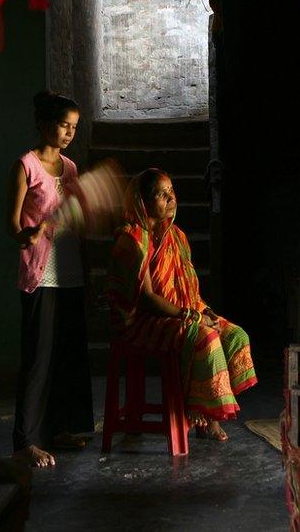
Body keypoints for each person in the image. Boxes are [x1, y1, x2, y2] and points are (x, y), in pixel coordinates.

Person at [107, 168, 257, 441]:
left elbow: (187, 288)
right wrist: (192, 316)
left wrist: (203, 310)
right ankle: (199, 415)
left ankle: (208, 412)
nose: (170, 198)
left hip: (181, 311)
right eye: (160, 194)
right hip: (143, 320)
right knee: (205, 339)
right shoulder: (131, 240)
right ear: (142, 202)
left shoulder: (177, 237)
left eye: (171, 191)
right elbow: (147, 299)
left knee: (236, 336)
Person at [6, 91, 93, 467]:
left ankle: (59, 428)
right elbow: (12, 224)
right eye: (63, 125)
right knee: (38, 360)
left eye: (74, 127)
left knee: (65, 355)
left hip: (70, 270)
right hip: (41, 275)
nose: (69, 133)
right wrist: (27, 234)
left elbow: (73, 217)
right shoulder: (25, 165)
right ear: (43, 124)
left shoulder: (71, 169)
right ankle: (26, 441)